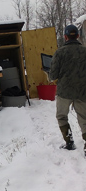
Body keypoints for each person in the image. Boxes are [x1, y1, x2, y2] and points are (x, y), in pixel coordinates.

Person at [49, 24, 86, 155]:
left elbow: (53, 75)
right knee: (84, 118)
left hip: (64, 92)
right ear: (77, 36)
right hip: (83, 91)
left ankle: (69, 142)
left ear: (65, 37)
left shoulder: (59, 53)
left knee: (61, 116)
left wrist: (49, 73)